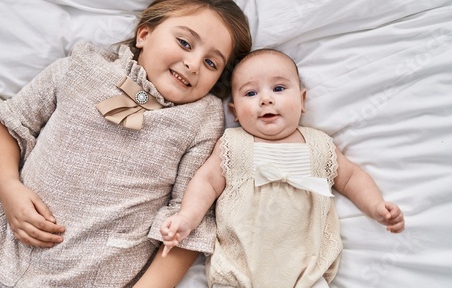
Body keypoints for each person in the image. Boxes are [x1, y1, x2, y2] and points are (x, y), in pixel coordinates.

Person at [0, 0, 252, 287]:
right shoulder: (82, 66)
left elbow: (187, 221)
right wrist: (8, 188)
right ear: (144, 34)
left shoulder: (199, 118)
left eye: (211, 63)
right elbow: (7, 124)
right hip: (19, 249)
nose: (193, 64)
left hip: (103, 270)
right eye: (184, 42)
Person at [160, 49, 405, 288]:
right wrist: (187, 217)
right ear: (234, 111)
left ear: (302, 100)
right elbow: (206, 182)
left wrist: (375, 206)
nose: (266, 99)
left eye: (278, 89)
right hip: (238, 271)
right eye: (251, 93)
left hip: (306, 274)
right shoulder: (233, 144)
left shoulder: (319, 144)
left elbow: (351, 177)